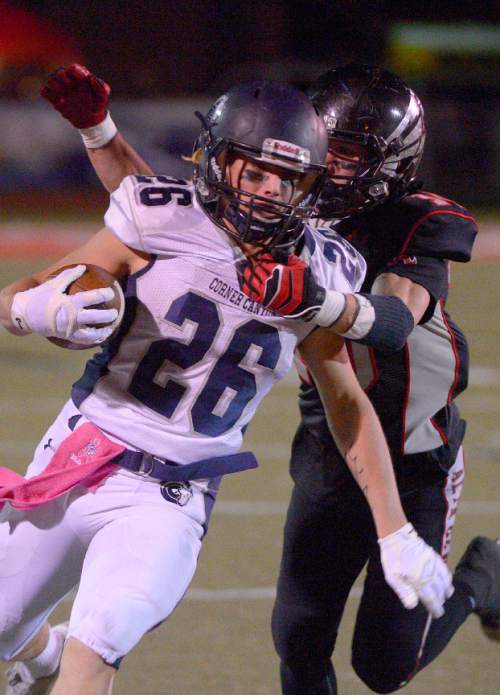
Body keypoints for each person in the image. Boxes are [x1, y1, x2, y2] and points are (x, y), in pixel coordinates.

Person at [38, 64, 499, 695]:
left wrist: (310, 296)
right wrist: (99, 132)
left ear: (389, 161)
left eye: (348, 153)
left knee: (384, 667)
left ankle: (485, 578)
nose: (325, 163)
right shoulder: (288, 203)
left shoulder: (420, 218)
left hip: (416, 446)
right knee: (297, 639)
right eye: (324, 144)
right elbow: (166, 217)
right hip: (329, 436)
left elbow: (392, 320)